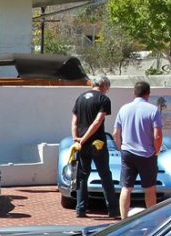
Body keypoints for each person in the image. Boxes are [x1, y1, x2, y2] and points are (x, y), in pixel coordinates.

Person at [112, 80, 163, 219]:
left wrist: (121, 148)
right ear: (148, 94)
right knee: (150, 188)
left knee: (126, 187)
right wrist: (156, 151)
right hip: (147, 153)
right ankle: (151, 218)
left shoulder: (123, 109)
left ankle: (124, 219)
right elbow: (157, 135)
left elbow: (115, 133)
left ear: (134, 93)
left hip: (127, 153)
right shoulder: (153, 110)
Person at [70, 75, 117, 218]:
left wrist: (76, 138)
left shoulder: (80, 98)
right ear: (105, 86)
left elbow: (74, 121)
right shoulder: (103, 99)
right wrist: (85, 138)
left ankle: (80, 208)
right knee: (105, 175)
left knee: (82, 175)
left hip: (81, 144)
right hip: (97, 143)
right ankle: (113, 209)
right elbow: (97, 121)